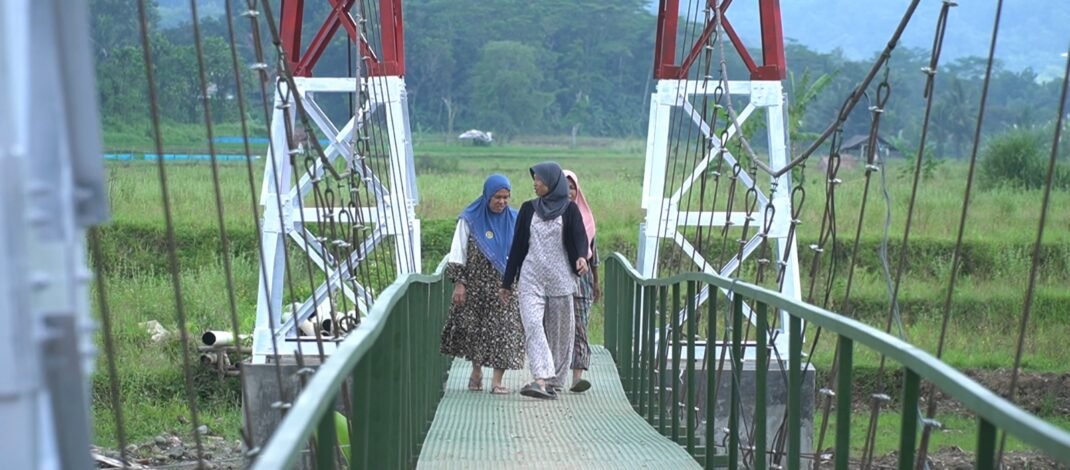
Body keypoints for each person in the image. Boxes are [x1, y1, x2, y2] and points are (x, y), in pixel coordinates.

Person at [500, 162, 589, 400]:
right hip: (531, 278)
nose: (535, 183)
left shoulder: (570, 209)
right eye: (535, 179)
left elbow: (579, 237)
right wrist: (507, 283)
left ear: (552, 183)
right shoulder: (528, 209)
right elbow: (517, 246)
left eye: (539, 180)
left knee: (560, 335)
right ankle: (540, 379)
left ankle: (553, 383)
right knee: (532, 326)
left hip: (560, 279)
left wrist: (581, 257)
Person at [440, 174, 525, 395]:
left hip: (505, 286)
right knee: (476, 331)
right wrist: (460, 283)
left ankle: (497, 381)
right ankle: (476, 372)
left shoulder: (515, 219)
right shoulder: (469, 219)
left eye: (506, 197)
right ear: (487, 196)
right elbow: (458, 252)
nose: (502, 202)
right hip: (476, 286)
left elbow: (525, 251)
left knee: (505, 331)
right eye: (497, 197)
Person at [563, 169, 600, 393]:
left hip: (582, 284)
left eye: (572, 187)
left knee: (580, 329)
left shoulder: (587, 219)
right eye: (564, 187)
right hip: (556, 282)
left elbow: (594, 255)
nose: (569, 191)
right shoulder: (550, 215)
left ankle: (577, 377)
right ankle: (552, 375)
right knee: (556, 329)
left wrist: (596, 282)